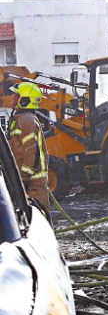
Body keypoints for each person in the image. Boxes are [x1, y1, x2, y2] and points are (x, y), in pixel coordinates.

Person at [8, 82, 50, 217]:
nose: (13, 98)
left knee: (37, 220)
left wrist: (24, 177)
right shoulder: (20, 119)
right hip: (25, 182)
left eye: (16, 96)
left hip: (32, 185)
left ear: (25, 100)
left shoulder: (26, 120)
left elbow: (32, 151)